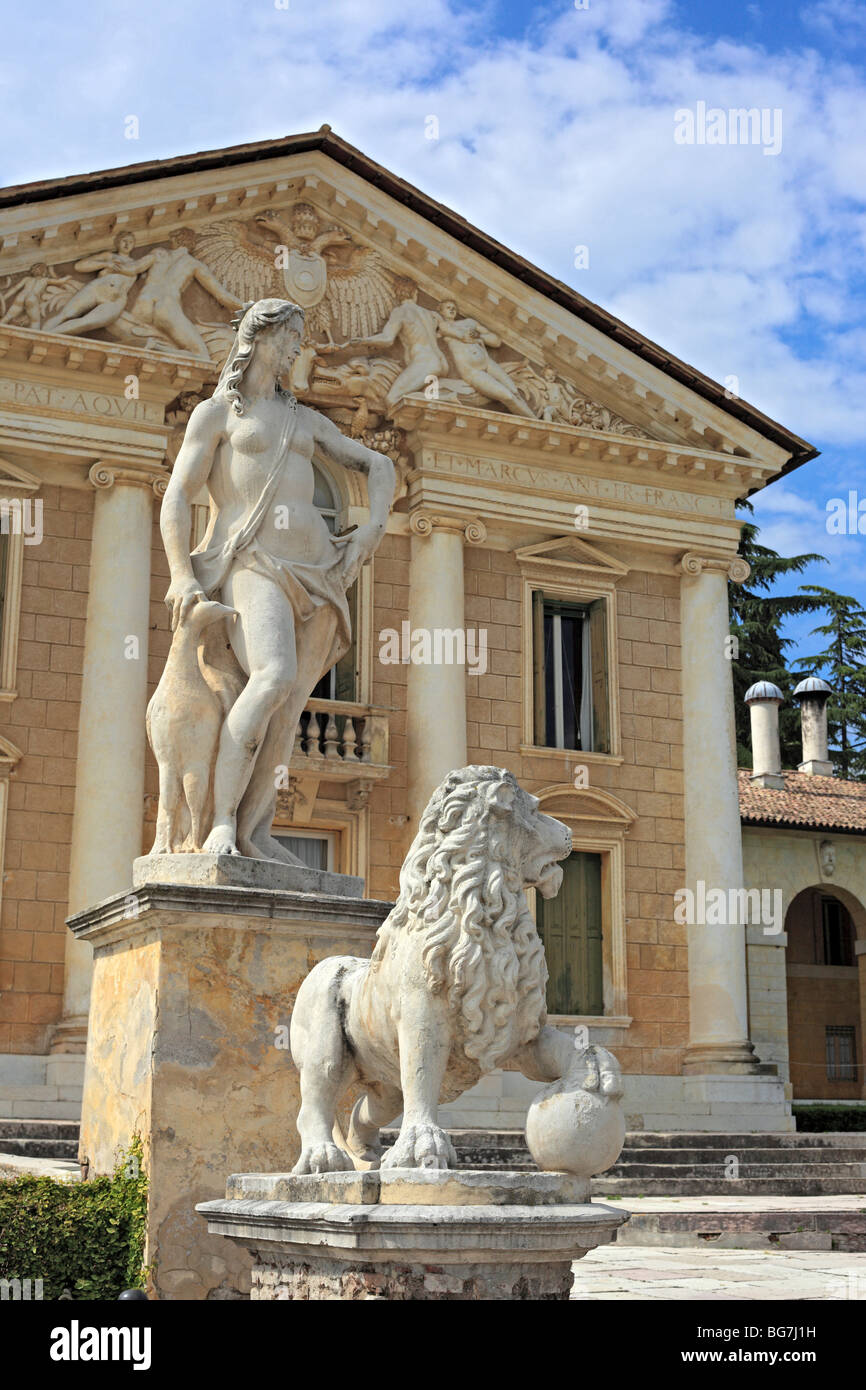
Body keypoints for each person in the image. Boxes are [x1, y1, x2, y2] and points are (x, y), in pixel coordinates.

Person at [160, 298, 395, 863]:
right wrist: (179, 573)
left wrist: (369, 531)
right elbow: (176, 497)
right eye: (291, 335)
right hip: (253, 561)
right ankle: (218, 823)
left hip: (319, 575)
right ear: (259, 337)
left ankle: (254, 829)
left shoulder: (306, 420)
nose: (297, 347)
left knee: (288, 706)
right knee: (272, 676)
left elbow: (379, 467)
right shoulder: (217, 416)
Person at [435, 299, 536, 418]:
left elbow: (496, 341)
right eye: (448, 307)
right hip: (472, 371)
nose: (452, 309)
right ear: (440, 310)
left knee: (515, 393)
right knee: (507, 396)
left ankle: (536, 422)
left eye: (454, 307)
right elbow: (458, 335)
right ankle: (537, 423)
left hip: (488, 363)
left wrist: (480, 336)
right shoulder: (443, 326)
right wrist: (466, 335)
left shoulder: (469, 322)